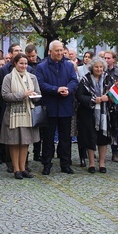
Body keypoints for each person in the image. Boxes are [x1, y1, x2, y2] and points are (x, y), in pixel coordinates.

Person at [35, 40, 79, 175]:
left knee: (65, 138)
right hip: (50, 107)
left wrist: (68, 89)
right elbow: (40, 84)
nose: (60, 53)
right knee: (48, 139)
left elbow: (74, 81)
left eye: (61, 50)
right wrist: (56, 89)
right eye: (57, 51)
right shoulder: (42, 67)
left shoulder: (69, 65)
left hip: (65, 106)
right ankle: (46, 164)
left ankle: (65, 164)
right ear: (50, 51)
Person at [1, 53, 41, 179]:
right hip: (13, 114)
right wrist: (22, 95)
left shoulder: (33, 77)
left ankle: (23, 168)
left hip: (28, 113)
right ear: (15, 64)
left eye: (25, 63)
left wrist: (34, 96)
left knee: (25, 142)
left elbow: (38, 93)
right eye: (21, 63)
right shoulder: (8, 77)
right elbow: (5, 95)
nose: (24, 66)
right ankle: (16, 169)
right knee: (14, 142)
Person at [76, 57, 114, 173]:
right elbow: (79, 96)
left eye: (101, 67)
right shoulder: (85, 79)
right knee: (89, 137)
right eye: (96, 67)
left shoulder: (108, 79)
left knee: (103, 138)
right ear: (92, 67)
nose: (99, 69)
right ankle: (91, 163)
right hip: (88, 112)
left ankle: (102, 163)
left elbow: (116, 95)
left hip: (104, 113)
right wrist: (94, 99)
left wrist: (108, 98)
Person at [102, 51, 118, 162]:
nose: (106, 60)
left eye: (108, 58)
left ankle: (115, 152)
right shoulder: (100, 70)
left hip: (115, 103)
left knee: (115, 129)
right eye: (105, 58)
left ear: (113, 59)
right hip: (103, 102)